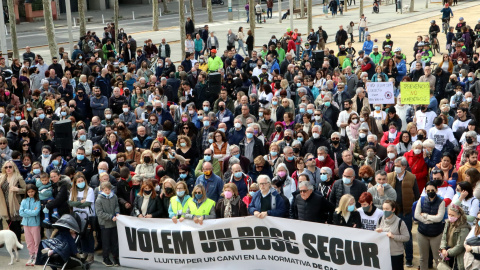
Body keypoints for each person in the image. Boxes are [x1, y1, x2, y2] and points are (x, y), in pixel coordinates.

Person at [414, 181, 446, 270]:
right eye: (428, 190)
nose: (430, 192)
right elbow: (416, 215)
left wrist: (425, 216)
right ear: (425, 190)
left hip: (436, 234)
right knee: (423, 257)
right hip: (422, 232)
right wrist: (429, 220)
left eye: (432, 190)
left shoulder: (441, 202)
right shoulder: (422, 199)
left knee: (437, 258)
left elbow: (439, 218)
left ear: (436, 190)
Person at [375, 200, 410, 270]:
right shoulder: (380, 220)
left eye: (387, 209)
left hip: (396, 254)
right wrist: (376, 232)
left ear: (393, 209)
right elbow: (377, 236)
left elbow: (406, 237)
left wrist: (394, 236)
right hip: (384, 253)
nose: (384, 211)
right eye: (383, 208)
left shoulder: (400, 222)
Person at [95, 181, 120, 267]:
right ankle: (105, 258)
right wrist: (110, 217)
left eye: (109, 189)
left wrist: (117, 212)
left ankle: (115, 257)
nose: (108, 191)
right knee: (106, 242)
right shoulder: (99, 200)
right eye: (106, 190)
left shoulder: (114, 197)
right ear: (102, 190)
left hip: (114, 223)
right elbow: (100, 213)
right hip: (105, 224)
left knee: (114, 242)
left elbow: (117, 205)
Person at [0, 160, 26, 240]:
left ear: (14, 167)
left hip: (15, 204)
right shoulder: (2, 178)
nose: (8, 169)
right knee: (10, 225)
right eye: (6, 167)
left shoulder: (18, 177)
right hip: (5, 203)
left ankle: (18, 242)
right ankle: (13, 242)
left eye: (10, 167)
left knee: (16, 225)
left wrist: (17, 189)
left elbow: (26, 189)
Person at [440, 204, 470, 270]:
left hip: (458, 257)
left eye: (452, 215)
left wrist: (448, 252)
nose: (450, 217)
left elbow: (460, 246)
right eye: (449, 214)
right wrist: (443, 248)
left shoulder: (464, 228)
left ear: (459, 215)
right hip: (448, 253)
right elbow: (444, 237)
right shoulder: (448, 223)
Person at [19, 184, 41, 266]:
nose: (31, 193)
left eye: (32, 191)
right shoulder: (24, 200)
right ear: (26, 192)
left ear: (35, 191)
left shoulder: (37, 201)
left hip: (35, 224)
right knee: (29, 241)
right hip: (25, 224)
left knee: (36, 241)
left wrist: (26, 211)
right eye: (29, 192)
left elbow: (36, 213)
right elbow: (21, 213)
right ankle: (31, 256)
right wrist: (30, 212)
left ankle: (36, 256)